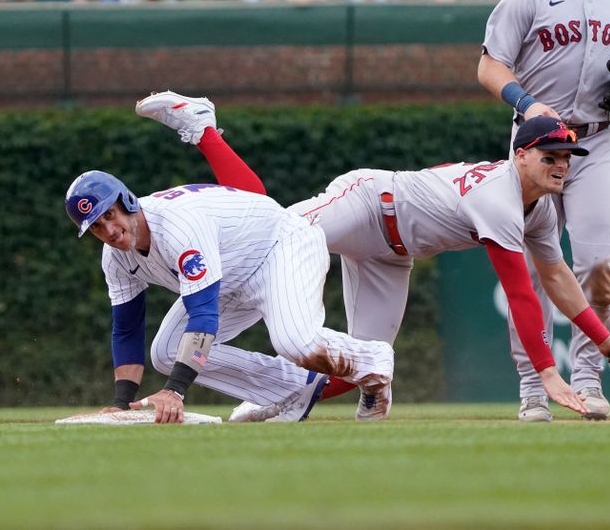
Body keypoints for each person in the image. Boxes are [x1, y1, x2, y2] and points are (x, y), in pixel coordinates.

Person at [134, 91, 610, 421]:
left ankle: (282, 398)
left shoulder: (539, 209)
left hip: (392, 256)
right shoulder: (499, 196)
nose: (562, 167)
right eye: (551, 156)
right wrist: (549, 372)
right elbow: (521, 291)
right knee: (266, 226)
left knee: (360, 363)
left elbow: (556, 276)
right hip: (368, 204)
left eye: (568, 158)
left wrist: (606, 339)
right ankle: (203, 128)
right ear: (520, 154)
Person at [64, 143, 396, 424]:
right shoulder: (116, 258)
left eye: (110, 214)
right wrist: (121, 403)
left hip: (279, 247)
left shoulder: (177, 227)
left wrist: (174, 390)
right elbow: (126, 329)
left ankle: (372, 360)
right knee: (165, 353)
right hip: (230, 272)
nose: (108, 230)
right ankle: (297, 389)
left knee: (296, 343)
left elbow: (203, 315)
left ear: (127, 200)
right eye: (96, 227)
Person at [477, 0, 610, 421]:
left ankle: (588, 378)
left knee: (595, 262)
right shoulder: (525, 1)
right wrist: (526, 103)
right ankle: (534, 385)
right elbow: (489, 66)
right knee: (535, 269)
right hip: (536, 144)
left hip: (596, 141)